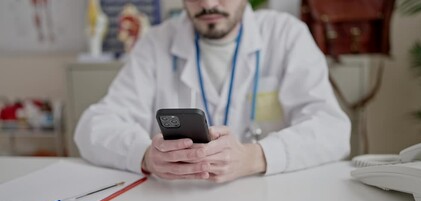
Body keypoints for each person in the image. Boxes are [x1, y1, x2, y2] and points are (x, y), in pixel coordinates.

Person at [75, 0, 351, 183]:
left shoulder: (286, 35)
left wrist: (255, 156)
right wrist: (145, 154)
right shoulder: (156, 43)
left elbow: (333, 130)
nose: (208, 3)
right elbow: (93, 126)